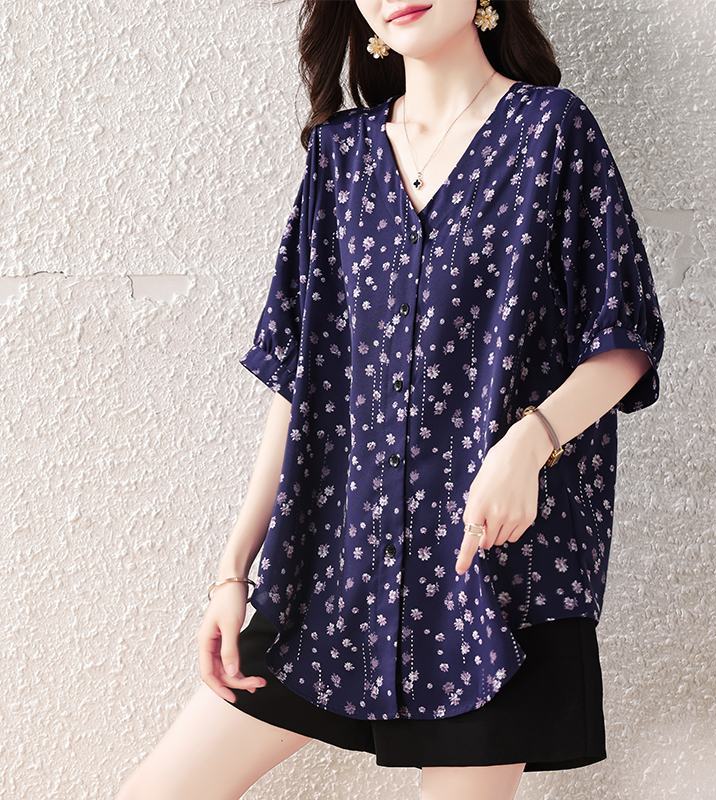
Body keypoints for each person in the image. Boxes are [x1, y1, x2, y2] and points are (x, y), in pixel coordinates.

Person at [115, 1, 664, 799]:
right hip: (336, 564)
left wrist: (529, 442)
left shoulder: (551, 130)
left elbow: (623, 338)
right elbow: (303, 383)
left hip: (495, 577)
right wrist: (233, 573)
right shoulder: (340, 158)